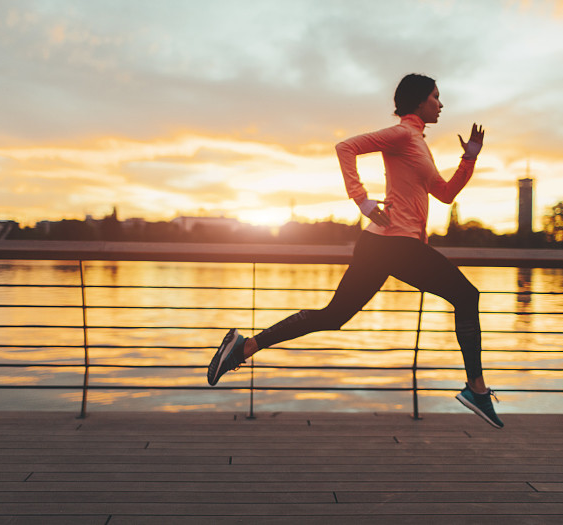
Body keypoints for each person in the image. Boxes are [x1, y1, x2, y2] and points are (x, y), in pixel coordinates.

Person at [207, 73, 503, 428]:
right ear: (419, 101)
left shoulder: (419, 143)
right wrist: (361, 200)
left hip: (382, 244)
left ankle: (245, 347)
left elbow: (445, 193)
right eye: (436, 97)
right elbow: (345, 147)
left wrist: (469, 159)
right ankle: (476, 388)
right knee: (467, 296)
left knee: (333, 316)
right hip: (394, 242)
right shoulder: (402, 134)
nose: (442, 104)